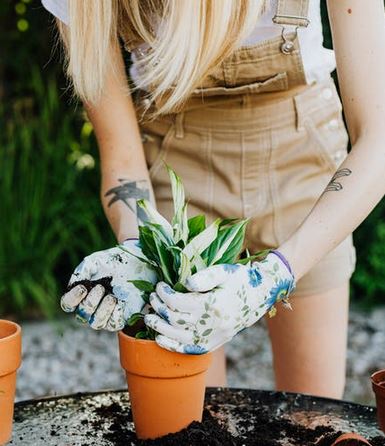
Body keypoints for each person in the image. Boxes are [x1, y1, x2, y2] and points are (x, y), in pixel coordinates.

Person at [41, 0, 385, 399]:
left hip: (302, 158)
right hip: (177, 167)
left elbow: (378, 141)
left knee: (312, 413)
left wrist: (275, 274)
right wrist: (138, 247)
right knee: (190, 419)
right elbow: (122, 160)